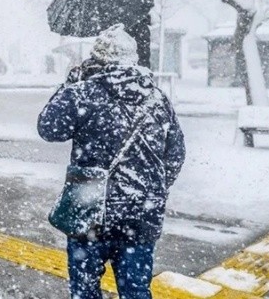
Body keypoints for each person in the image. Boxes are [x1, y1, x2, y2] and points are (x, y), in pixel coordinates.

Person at [37, 24, 185, 299]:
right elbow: (175, 154)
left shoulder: (81, 93)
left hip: (90, 210)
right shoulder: (157, 98)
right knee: (137, 290)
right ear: (133, 59)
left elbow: (48, 128)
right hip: (141, 213)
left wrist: (68, 84)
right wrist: (152, 189)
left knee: (85, 290)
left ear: (97, 59)